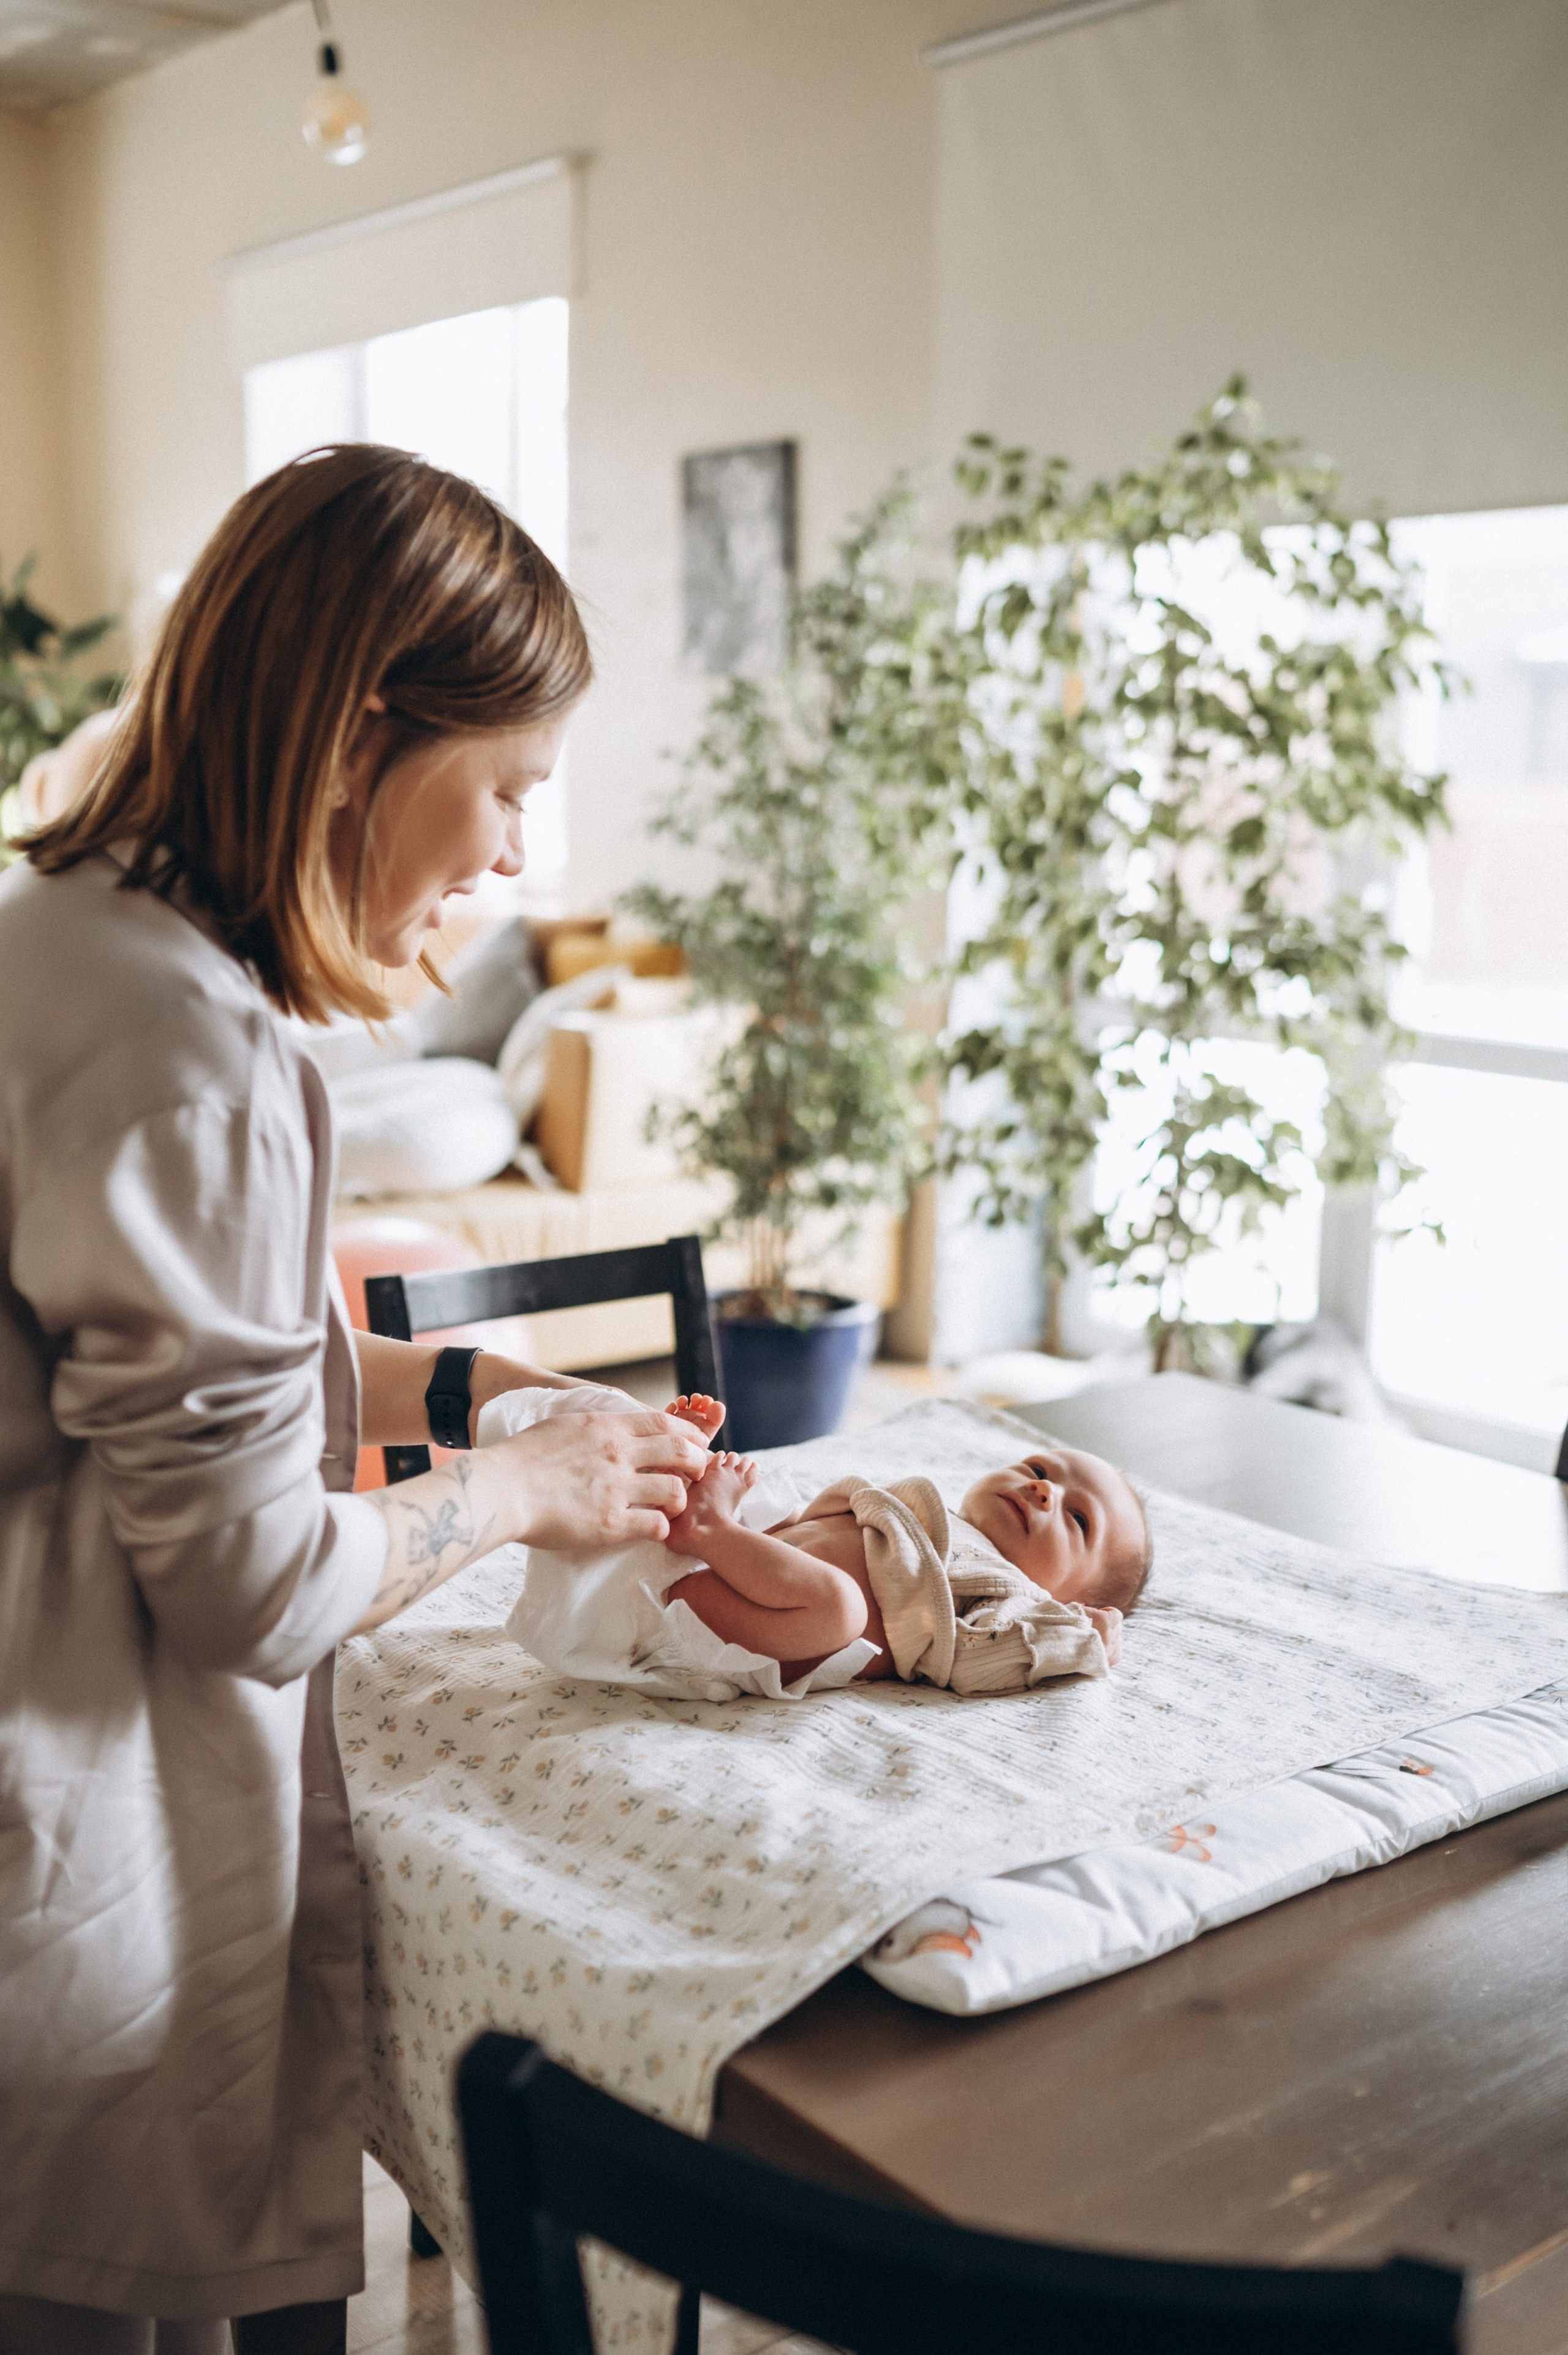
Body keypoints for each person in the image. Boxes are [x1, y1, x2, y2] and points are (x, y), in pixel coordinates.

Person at [0, 446, 712, 2355]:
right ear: (349, 740)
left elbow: (143, 1379)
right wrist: (523, 1493)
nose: (510, 857)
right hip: (66, 1870)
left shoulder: (54, 936)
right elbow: (250, 1582)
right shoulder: (187, 1049)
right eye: (505, 789)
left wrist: (475, 1386)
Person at [482, 1386, 1149, 1701]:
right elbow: (825, 1518)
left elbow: (991, 1662)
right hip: (742, 1563)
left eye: (1078, 1520)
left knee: (842, 1606)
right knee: (782, 1496)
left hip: (730, 1632)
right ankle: (675, 1471)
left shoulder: (1014, 1599)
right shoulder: (938, 1517)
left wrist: (1081, 1638)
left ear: (1070, 1594)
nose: (1041, 1491)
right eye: (1039, 1469)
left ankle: (708, 1524)